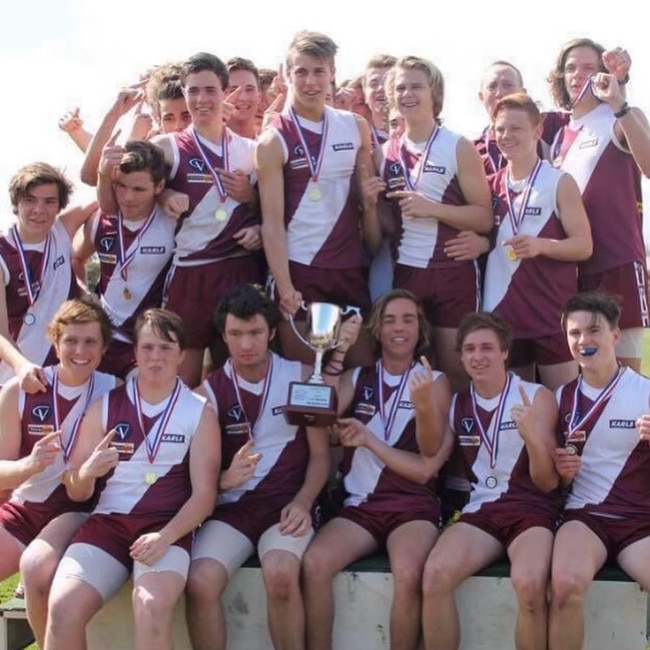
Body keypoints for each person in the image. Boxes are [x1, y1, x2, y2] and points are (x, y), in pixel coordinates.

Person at [44, 308, 220, 650]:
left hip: (166, 527)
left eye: (166, 348)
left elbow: (204, 496)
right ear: (135, 352)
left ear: (182, 355)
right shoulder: (105, 405)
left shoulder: (199, 410)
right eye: (148, 347)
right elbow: (77, 491)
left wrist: (166, 536)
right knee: (63, 608)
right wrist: (87, 472)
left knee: (151, 607)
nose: (156, 357)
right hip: (108, 526)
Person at [302, 289, 452, 650]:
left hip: (412, 506)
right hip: (362, 506)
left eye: (408, 319)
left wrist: (420, 410)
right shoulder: (358, 377)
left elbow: (426, 465)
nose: (398, 328)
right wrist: (337, 353)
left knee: (408, 572)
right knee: (315, 564)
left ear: (421, 329)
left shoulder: (435, 380)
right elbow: (317, 413)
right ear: (377, 330)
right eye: (389, 320)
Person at [185, 284, 332, 650]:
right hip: (233, 509)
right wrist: (223, 480)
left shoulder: (299, 375)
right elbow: (198, 475)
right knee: (201, 582)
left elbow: (319, 456)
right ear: (224, 336)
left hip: (286, 504)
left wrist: (303, 501)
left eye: (254, 333)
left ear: (270, 332)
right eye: (235, 334)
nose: (245, 343)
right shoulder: (208, 392)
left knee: (281, 574)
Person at [422, 311, 560, 650]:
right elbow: (429, 456)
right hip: (482, 511)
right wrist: (423, 407)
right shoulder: (459, 403)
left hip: (532, 510)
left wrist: (533, 439)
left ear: (504, 353)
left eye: (487, 348)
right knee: (434, 575)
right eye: (469, 349)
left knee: (529, 586)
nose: (478, 356)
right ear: (461, 356)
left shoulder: (535, 396)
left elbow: (548, 483)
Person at [256, 30, 380, 367]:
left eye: (319, 71)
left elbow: (367, 204)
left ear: (332, 74)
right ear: (287, 74)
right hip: (301, 272)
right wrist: (284, 286)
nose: (310, 82)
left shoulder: (356, 127)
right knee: (308, 382)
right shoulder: (272, 140)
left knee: (357, 371)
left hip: (349, 269)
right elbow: (272, 222)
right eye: (301, 72)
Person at [0, 298, 118, 647]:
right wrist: (30, 465)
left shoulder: (115, 390)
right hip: (24, 508)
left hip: (78, 509)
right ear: (55, 341)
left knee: (37, 569)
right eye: (70, 340)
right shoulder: (19, 391)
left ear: (104, 347)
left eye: (90, 342)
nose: (80, 351)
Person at [379, 56, 493, 390]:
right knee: (411, 371)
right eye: (400, 87)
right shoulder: (383, 152)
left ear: (434, 94)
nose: (408, 94)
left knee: (457, 368)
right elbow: (385, 223)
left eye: (416, 86)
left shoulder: (457, 146)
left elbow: (484, 217)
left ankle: (462, 440)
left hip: (452, 269)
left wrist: (434, 209)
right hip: (406, 271)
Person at [152, 52, 264, 386]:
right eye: (193, 91)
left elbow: (277, 210)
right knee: (180, 382)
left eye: (210, 90)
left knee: (238, 378)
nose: (201, 100)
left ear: (224, 91)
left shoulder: (252, 150)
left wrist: (253, 205)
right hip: (191, 273)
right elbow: (126, 192)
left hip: (239, 269)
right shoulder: (166, 147)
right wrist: (163, 194)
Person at [549, 292, 650, 650]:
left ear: (616, 335)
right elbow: (549, 482)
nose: (583, 341)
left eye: (593, 331)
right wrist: (561, 472)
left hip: (640, 521)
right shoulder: (559, 398)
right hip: (584, 517)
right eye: (574, 333)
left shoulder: (646, 392)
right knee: (563, 586)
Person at [548, 38, 649, 371]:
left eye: (589, 67)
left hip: (617, 262)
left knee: (626, 374)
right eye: (571, 68)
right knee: (586, 373)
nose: (578, 74)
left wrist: (619, 100)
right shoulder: (559, 136)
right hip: (574, 267)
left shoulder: (621, 117)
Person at [482, 92, 592, 389]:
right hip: (503, 315)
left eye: (516, 128)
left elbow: (584, 245)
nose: (506, 136)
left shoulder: (559, 181)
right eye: (500, 129)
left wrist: (542, 245)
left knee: (563, 407)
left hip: (550, 315)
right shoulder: (489, 185)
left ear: (537, 131)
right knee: (519, 413)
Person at [73, 140, 175, 378]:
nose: (128, 197)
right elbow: (76, 258)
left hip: (145, 343)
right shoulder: (99, 219)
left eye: (139, 189)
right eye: (121, 186)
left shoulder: (172, 221)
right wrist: (84, 293)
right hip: (102, 339)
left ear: (159, 187)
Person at [0, 163, 96, 387]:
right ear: (16, 203)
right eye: (30, 200)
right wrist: (22, 366)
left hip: (64, 371)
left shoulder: (62, 229)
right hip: (14, 377)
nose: (39, 210)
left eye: (49, 201)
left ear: (60, 205)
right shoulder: (3, 255)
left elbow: (109, 188)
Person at [226, 57, 261, 140]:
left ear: (259, 96)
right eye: (233, 90)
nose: (243, 98)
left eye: (249, 89)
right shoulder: (204, 147)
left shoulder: (273, 146)